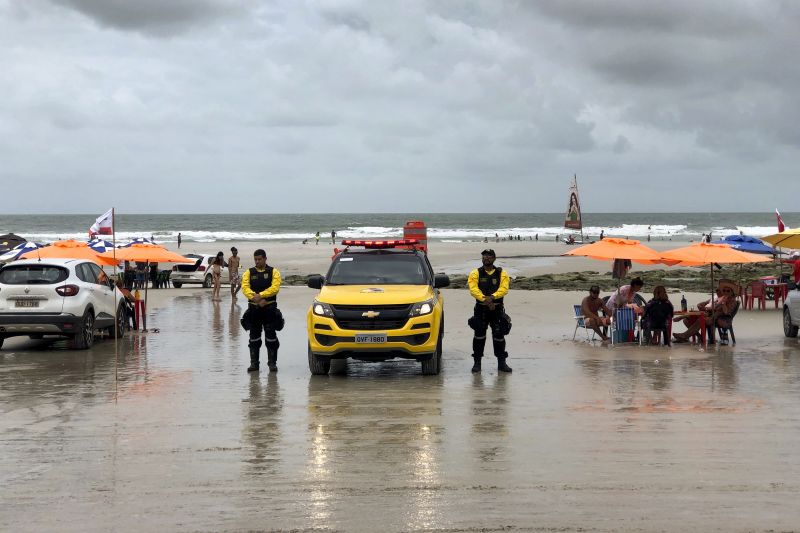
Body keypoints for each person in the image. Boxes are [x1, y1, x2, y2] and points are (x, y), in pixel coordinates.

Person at [468, 249, 512, 373]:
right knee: (479, 336)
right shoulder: (475, 273)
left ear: (494, 258)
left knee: (499, 336)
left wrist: (492, 298)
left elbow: (504, 289)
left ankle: (501, 363)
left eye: (489, 256)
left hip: (497, 309)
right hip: (481, 309)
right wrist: (485, 300)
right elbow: (473, 290)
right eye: (484, 255)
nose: (486, 258)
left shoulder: (502, 273)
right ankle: (477, 363)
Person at [241, 249, 282, 372]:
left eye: (259, 259)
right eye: (255, 259)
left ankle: (272, 364)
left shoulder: (274, 272)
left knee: (271, 337)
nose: (257, 261)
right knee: (254, 337)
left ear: (265, 258)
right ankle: (254, 364)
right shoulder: (249, 272)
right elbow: (245, 287)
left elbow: (275, 288)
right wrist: (257, 299)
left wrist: (262, 295)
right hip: (254, 309)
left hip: (269, 309)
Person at [673, 282, 737, 344]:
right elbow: (712, 306)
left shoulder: (732, 300)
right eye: (724, 290)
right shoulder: (721, 298)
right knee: (686, 320)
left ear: (731, 292)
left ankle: (684, 336)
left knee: (701, 319)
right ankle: (697, 336)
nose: (725, 292)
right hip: (710, 315)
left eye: (728, 291)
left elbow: (726, 312)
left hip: (718, 318)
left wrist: (723, 303)